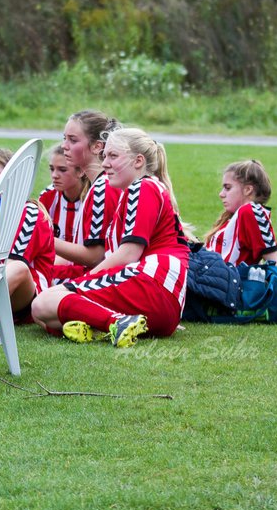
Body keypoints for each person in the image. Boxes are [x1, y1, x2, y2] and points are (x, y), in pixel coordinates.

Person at [31, 128, 190, 347]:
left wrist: (79, 284)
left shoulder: (143, 186)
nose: (105, 163)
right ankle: (103, 326)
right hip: (163, 301)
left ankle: (118, 322)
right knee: (42, 312)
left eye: (113, 156)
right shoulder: (139, 190)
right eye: (105, 156)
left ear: (138, 161)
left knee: (43, 303)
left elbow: (128, 254)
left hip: (152, 283)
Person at [205, 160, 277, 315]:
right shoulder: (233, 217)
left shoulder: (251, 211)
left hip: (218, 286)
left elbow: (275, 260)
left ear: (248, 189)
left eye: (228, 188)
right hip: (209, 281)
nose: (221, 194)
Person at [0, 148, 55, 318]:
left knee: (17, 268)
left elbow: (12, 265)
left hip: (27, 296)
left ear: (13, 175)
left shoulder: (30, 213)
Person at [52, 109, 122, 270]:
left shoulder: (103, 188)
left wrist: (42, 237)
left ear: (97, 146)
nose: (64, 146)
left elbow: (94, 257)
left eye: (73, 140)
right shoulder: (99, 185)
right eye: (64, 138)